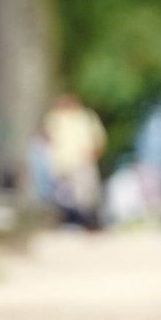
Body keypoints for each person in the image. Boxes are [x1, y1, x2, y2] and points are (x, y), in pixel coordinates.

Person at [42, 94, 107, 230]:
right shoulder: (55, 117)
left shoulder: (86, 117)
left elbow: (99, 139)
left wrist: (91, 155)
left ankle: (88, 222)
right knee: (64, 197)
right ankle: (71, 221)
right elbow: (46, 138)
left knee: (86, 195)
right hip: (61, 165)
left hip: (82, 162)